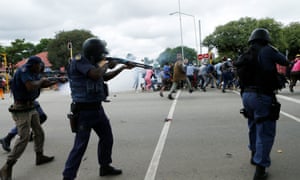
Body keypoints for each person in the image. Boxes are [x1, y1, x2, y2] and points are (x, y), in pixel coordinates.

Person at [62, 37, 134, 180]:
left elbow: (104, 77)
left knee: (107, 138)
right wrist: (107, 64)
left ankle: (105, 166)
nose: (103, 56)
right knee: (80, 146)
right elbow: (95, 74)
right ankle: (68, 176)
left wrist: (122, 67)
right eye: (101, 54)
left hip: (97, 109)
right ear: (94, 53)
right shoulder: (78, 60)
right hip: (84, 111)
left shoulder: (92, 63)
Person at [234, 28, 289, 180]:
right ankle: (260, 169)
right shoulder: (267, 50)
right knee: (265, 130)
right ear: (266, 39)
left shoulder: (246, 54)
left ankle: (254, 155)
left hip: (246, 96)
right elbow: (285, 61)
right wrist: (274, 49)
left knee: (253, 124)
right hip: (261, 95)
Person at [0, 56, 56, 180]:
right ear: (34, 64)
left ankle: (39, 156)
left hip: (31, 106)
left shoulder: (33, 72)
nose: (41, 67)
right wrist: (41, 81)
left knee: (39, 132)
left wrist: (53, 81)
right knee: (23, 138)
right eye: (39, 65)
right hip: (21, 109)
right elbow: (30, 86)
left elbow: (39, 84)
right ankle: (7, 166)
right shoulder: (24, 71)